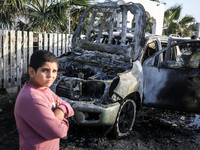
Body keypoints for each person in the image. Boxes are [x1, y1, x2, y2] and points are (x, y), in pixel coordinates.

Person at [14, 50, 74, 150]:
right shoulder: (33, 98)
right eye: (45, 70)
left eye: (54, 71)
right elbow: (60, 131)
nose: (51, 75)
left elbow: (67, 105)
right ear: (32, 72)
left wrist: (59, 110)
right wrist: (61, 119)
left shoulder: (44, 89)